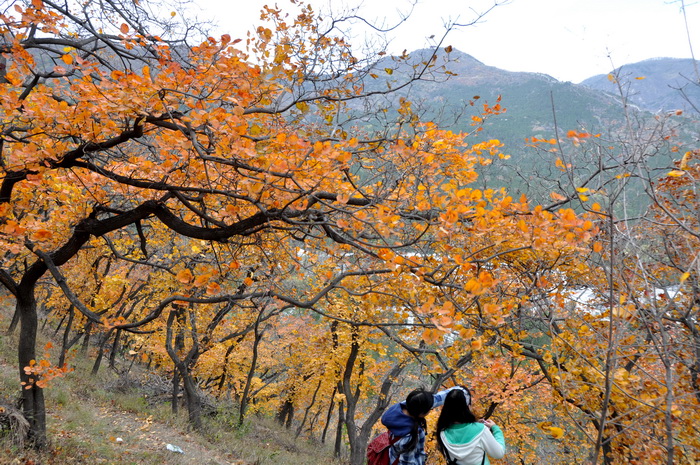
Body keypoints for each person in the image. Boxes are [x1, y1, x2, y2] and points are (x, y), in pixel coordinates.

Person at [381, 386, 460, 465]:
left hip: (392, 456)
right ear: (422, 413)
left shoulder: (401, 408)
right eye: (430, 409)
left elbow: (432, 400)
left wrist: (458, 391)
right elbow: (407, 462)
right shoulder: (409, 435)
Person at [435, 386, 505, 465]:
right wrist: (495, 429)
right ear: (467, 407)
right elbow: (499, 453)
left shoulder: (442, 432)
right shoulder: (481, 430)